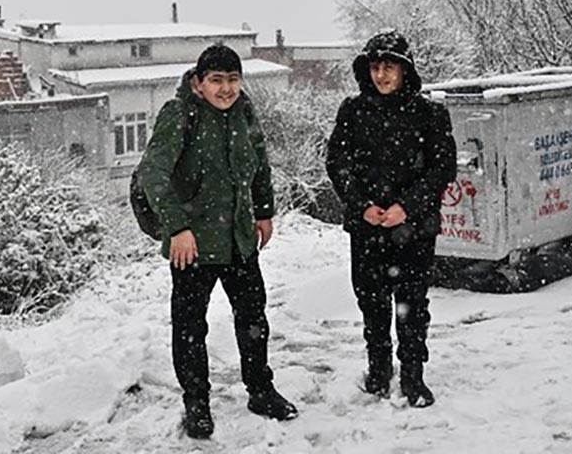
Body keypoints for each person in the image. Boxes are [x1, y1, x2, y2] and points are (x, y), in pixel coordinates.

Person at [138, 43, 298, 439]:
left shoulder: (244, 110)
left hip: (238, 238)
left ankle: (260, 391)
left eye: (232, 79)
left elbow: (258, 163)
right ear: (198, 83)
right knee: (191, 327)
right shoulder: (180, 115)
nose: (226, 89)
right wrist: (176, 228)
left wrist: (263, 211)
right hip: (191, 245)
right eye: (216, 80)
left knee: (253, 318)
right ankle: (197, 404)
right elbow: (152, 174)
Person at [325, 30, 456, 408]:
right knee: (372, 301)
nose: (382, 75)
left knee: (412, 303)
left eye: (390, 67)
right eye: (376, 67)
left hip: (413, 228)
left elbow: (441, 168)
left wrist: (408, 207)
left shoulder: (430, 113)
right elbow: (338, 163)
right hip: (367, 227)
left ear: (404, 70)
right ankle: (379, 368)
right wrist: (362, 204)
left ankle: (413, 375)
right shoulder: (353, 111)